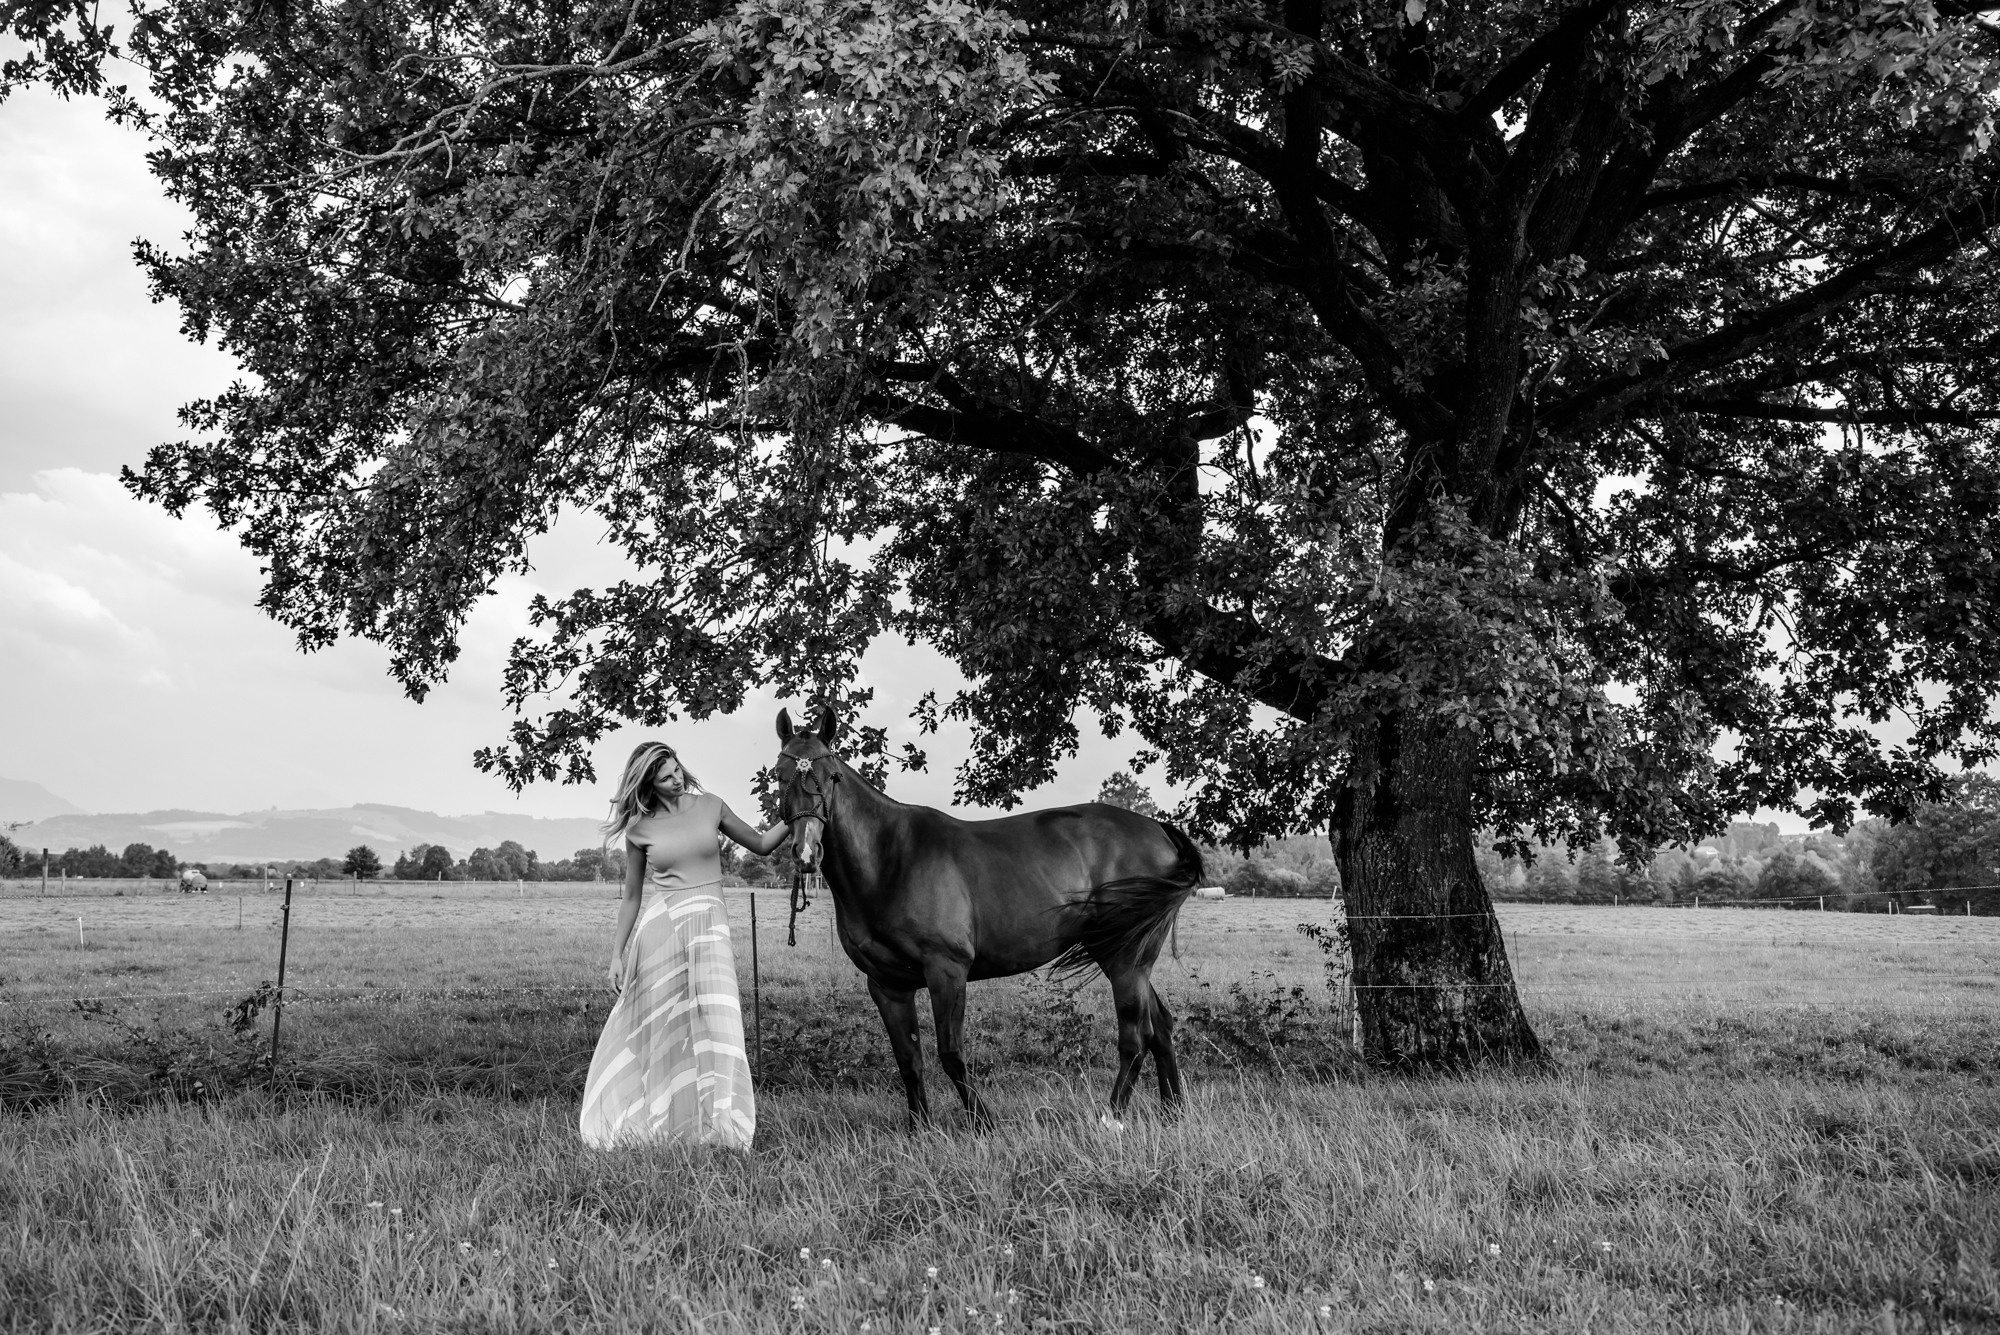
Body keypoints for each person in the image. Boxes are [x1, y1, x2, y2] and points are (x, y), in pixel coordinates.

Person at [578, 741, 791, 1149]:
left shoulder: (710, 805)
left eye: (677, 770)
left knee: (720, 1026)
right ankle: (662, 1124)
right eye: (665, 777)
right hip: (662, 933)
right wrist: (616, 956)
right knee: (663, 1032)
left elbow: (762, 844)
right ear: (649, 784)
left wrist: (796, 814)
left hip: (711, 931)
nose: (676, 779)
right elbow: (631, 897)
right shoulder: (640, 830)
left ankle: (726, 1131)